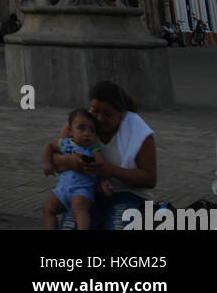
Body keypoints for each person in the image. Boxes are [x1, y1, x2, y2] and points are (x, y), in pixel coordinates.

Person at [43, 80, 156, 231]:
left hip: (129, 194)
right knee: (70, 226)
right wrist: (71, 161)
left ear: (122, 113)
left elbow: (149, 179)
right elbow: (56, 157)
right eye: (95, 111)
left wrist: (110, 170)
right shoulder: (81, 124)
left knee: (116, 225)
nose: (100, 118)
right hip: (88, 193)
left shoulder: (138, 132)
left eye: (107, 114)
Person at [42, 109, 107, 231]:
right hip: (62, 190)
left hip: (81, 191)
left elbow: (102, 165)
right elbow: (49, 146)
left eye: (92, 130)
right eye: (81, 129)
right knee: (48, 207)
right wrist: (47, 163)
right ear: (71, 131)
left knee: (80, 210)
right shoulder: (65, 143)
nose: (87, 133)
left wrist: (104, 180)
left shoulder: (93, 150)